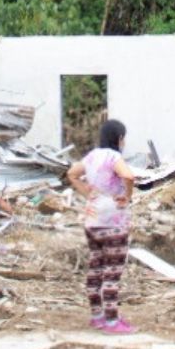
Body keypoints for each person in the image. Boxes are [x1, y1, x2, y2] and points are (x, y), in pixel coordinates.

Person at [66, 119, 140, 333]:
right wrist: (126, 195)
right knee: (112, 271)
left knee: (96, 268)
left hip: (92, 219)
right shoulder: (114, 157)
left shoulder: (91, 156)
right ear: (119, 138)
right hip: (113, 221)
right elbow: (128, 175)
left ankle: (97, 316)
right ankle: (111, 321)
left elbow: (72, 173)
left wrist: (87, 192)